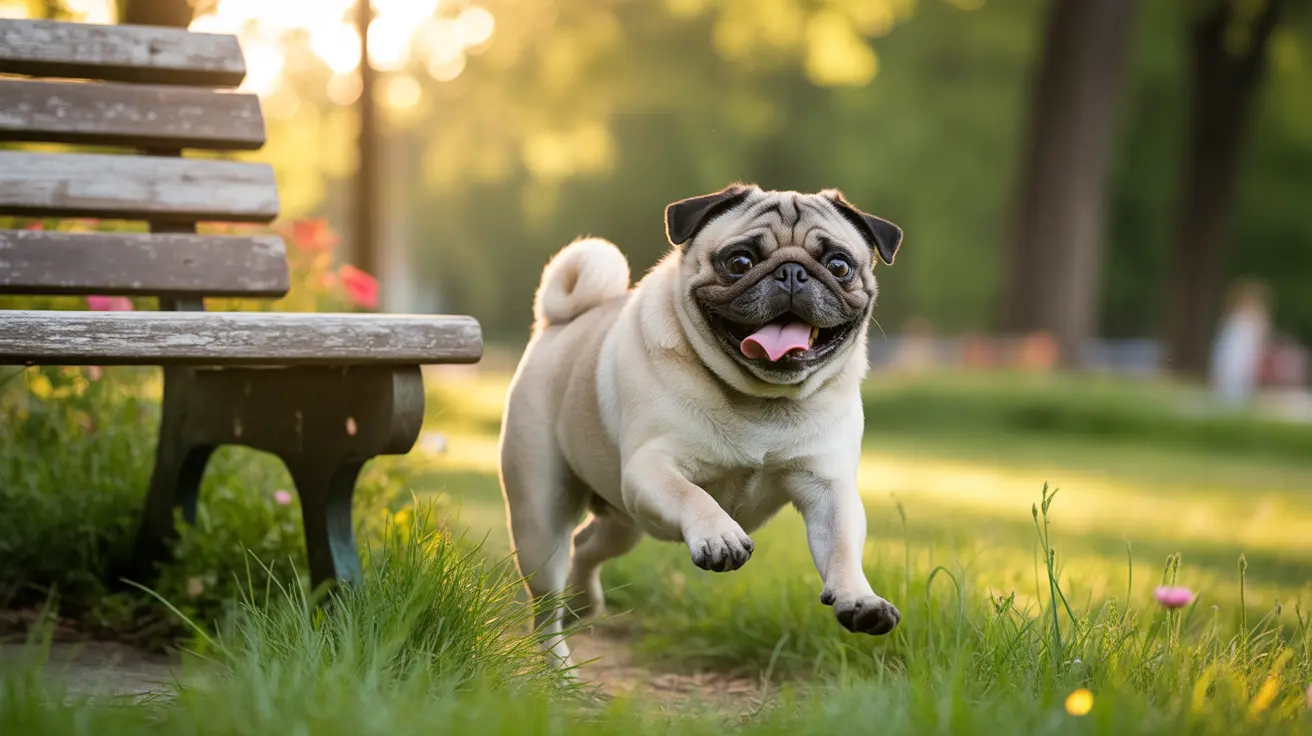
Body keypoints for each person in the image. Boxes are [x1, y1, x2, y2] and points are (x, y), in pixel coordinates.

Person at [1209, 278, 1271, 407]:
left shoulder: (1255, 319)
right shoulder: (1234, 318)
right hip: (1234, 354)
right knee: (1229, 380)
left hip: (1245, 355)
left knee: (1241, 382)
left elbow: (1260, 339)